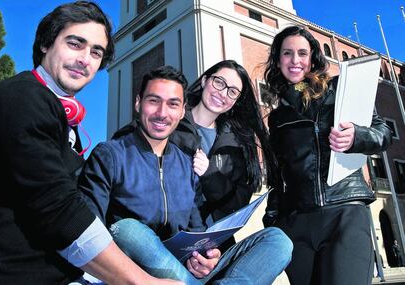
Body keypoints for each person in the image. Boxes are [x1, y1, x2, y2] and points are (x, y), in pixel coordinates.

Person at [0, 2, 182, 285]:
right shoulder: (23, 98)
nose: (85, 59)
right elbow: (59, 211)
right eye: (75, 43)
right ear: (46, 44)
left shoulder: (61, 114)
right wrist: (141, 281)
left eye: (96, 52)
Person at [78, 65, 293, 285]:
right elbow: (88, 228)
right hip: (135, 266)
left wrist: (207, 257)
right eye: (153, 101)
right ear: (138, 103)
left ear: (181, 111)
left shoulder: (186, 163)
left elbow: (198, 231)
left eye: (172, 104)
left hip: (183, 265)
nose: (162, 113)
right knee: (127, 229)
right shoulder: (111, 154)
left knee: (277, 240)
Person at [261, 25, 393, 285]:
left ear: (313, 58)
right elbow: (279, 174)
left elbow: (383, 132)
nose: (295, 60)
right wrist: (273, 221)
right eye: (287, 53)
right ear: (278, 61)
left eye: (302, 52)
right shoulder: (277, 117)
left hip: (344, 212)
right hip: (296, 223)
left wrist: (358, 136)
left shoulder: (339, 89)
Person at [170, 60, 280, 246]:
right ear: (205, 80)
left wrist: (209, 174)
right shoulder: (170, 123)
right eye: (219, 82)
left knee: (277, 241)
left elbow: (237, 203)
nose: (223, 93)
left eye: (233, 91)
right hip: (168, 234)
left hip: (213, 242)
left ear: (236, 102)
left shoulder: (237, 144)